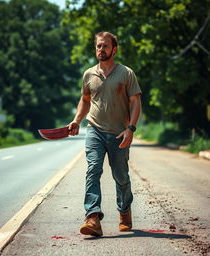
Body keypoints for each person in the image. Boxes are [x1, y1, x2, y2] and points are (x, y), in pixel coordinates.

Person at [68, 31, 142, 237]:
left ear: (114, 49)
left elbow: (136, 102)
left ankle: (124, 210)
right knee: (93, 169)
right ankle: (92, 217)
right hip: (95, 130)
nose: (101, 49)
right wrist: (76, 120)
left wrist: (131, 129)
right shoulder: (89, 74)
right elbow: (85, 99)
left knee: (121, 177)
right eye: (98, 46)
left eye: (105, 46)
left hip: (120, 133)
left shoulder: (126, 73)